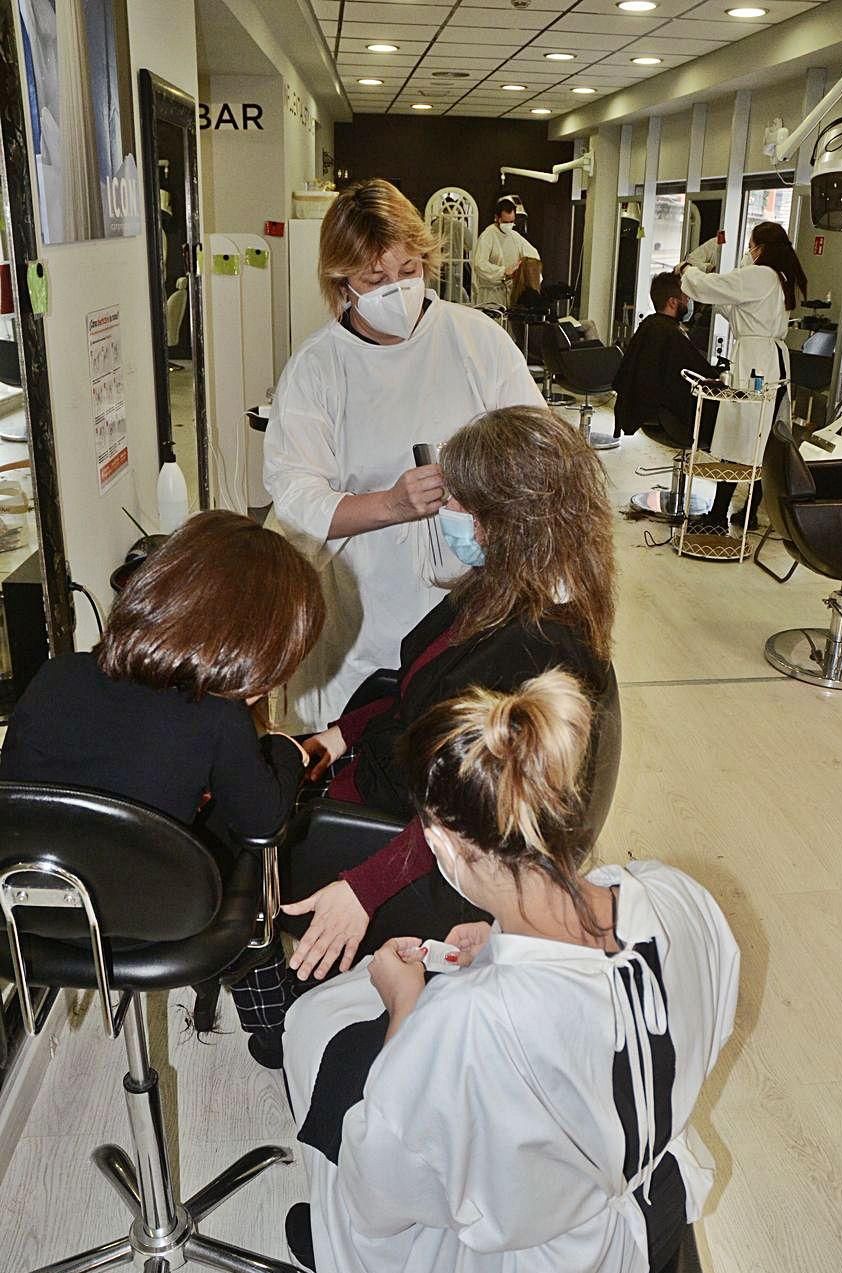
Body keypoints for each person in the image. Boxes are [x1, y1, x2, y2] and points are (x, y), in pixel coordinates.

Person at [282, 669, 740, 1273]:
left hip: (546, 1261)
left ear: (442, 845)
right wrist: (499, 946)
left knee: (326, 1058)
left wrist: (405, 1010)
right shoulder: (677, 895)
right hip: (658, 1191)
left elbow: (381, 1188)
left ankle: (333, 1248)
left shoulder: (468, 1025)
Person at [245, 405, 615, 1067]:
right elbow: (408, 682)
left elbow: (471, 814)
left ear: (507, 519)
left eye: (459, 500)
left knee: (239, 818)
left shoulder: (534, 649)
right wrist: (336, 736)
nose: (445, 512)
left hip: (409, 841)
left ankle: (274, 993)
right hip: (383, 778)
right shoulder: (499, 590)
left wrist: (363, 888)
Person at [0, 511, 325, 1042]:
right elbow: (263, 824)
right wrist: (283, 750)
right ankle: (263, 1001)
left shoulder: (56, 674)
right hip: (151, 924)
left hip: (26, 913)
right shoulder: (217, 717)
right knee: (246, 821)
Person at [263, 179, 544, 733]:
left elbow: (537, 445)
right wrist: (391, 504)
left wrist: (487, 492)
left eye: (409, 270)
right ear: (341, 282)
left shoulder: (474, 339)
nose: (397, 289)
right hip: (363, 614)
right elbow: (295, 498)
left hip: (471, 611)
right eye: (375, 278)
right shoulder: (319, 367)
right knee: (364, 747)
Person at [680, 221, 807, 532]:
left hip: (756, 365)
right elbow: (733, 306)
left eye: (751, 244)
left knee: (741, 435)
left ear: (759, 247)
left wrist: (688, 271)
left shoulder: (761, 275)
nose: (748, 251)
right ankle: (747, 512)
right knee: (762, 439)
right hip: (770, 361)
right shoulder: (778, 278)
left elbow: (711, 288)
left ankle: (717, 516)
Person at [612, 272, 721, 448]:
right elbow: (697, 374)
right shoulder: (670, 334)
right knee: (722, 412)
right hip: (670, 419)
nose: (688, 303)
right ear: (672, 302)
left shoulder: (650, 325)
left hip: (648, 411)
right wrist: (720, 381)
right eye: (686, 298)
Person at [472, 196, 541, 309]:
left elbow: (533, 255)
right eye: (505, 222)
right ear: (497, 218)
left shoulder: (514, 236)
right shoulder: (488, 236)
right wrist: (504, 272)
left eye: (512, 222)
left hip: (510, 294)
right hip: (491, 296)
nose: (509, 225)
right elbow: (480, 265)